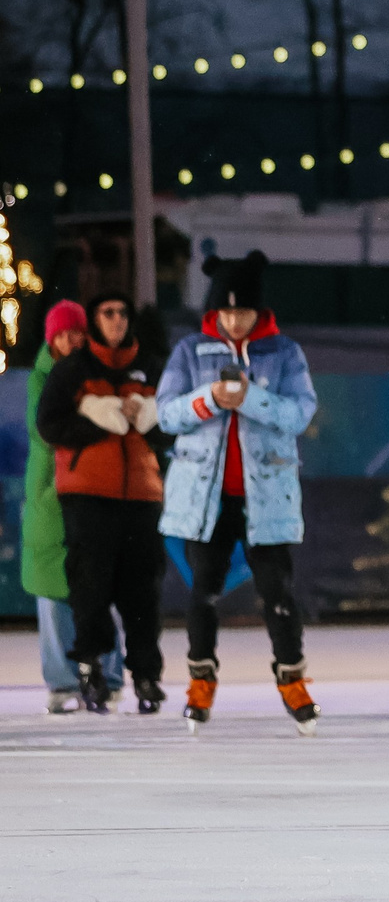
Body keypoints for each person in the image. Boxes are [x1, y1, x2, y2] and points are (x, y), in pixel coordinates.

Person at [157, 251, 322, 734]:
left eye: (243, 311)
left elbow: (299, 414)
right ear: (213, 312)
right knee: (202, 594)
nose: (234, 320)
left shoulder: (285, 353)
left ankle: (293, 682)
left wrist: (252, 397)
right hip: (204, 501)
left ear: (259, 311)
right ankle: (199, 684)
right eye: (225, 312)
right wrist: (209, 399)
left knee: (278, 594)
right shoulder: (190, 351)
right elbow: (165, 413)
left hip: (265, 499)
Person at [35, 289, 167, 716]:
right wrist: (99, 419)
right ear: (96, 321)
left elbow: (173, 427)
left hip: (142, 495)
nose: (116, 321)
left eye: (122, 314)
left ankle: (146, 674)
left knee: (140, 591)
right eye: (108, 314)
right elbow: (49, 424)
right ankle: (90, 666)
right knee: (89, 588)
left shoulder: (148, 367)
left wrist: (147, 418)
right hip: (88, 494)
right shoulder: (72, 370)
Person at [22, 302, 123, 713]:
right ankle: (63, 683)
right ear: (51, 338)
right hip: (50, 494)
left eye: (77, 332)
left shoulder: (100, 371)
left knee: (103, 588)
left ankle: (110, 677)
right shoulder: (42, 377)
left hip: (94, 488)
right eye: (63, 334)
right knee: (51, 592)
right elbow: (43, 427)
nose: (70, 340)